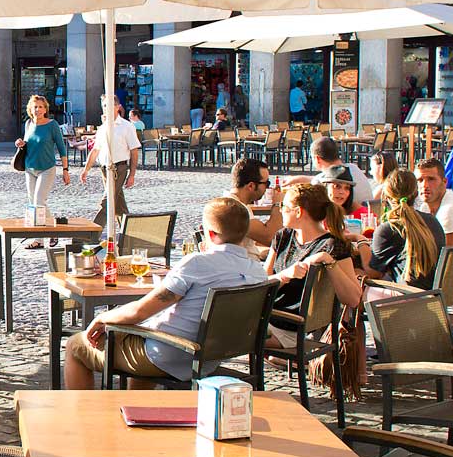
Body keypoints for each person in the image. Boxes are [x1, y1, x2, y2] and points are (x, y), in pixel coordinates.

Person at [62, 197, 269, 390]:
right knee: (139, 338)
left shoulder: (197, 264)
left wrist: (101, 318)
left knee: (75, 345)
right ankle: (136, 414)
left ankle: (83, 419)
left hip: (172, 353)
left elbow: (140, 311)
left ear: (211, 234)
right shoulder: (257, 271)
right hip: (210, 357)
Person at [265, 183, 364, 348]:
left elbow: (353, 298)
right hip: (269, 318)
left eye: (284, 206)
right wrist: (285, 275)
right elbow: (263, 282)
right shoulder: (283, 236)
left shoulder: (332, 245)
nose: (280, 210)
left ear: (298, 211)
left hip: (288, 328)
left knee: (224, 335)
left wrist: (329, 261)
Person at [360, 171, 443, 297]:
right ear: (415, 194)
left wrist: (361, 241)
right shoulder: (433, 221)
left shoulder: (389, 229)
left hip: (407, 298)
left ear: (386, 197)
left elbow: (373, 272)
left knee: (356, 282)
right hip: (434, 298)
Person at [79, 96, 141, 231]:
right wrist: (86, 170)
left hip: (119, 168)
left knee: (106, 201)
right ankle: (129, 232)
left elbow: (134, 151)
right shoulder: (102, 128)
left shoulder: (126, 126)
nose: (107, 108)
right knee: (118, 203)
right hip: (104, 168)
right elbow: (95, 150)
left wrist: (132, 174)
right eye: (104, 106)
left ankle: (92, 233)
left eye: (110, 105)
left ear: (118, 107)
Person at [19, 95, 73, 248]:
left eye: (41, 107)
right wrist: (20, 143)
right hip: (30, 168)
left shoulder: (52, 125)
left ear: (45, 109)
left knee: (39, 201)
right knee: (34, 203)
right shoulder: (28, 124)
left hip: (47, 168)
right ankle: (40, 239)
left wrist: (65, 169)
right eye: (35, 107)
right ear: (30, 109)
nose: (38, 110)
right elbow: (26, 144)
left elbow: (62, 148)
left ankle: (48, 232)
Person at [226, 158, 283, 248]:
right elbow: (271, 238)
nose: (268, 188)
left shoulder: (237, 202)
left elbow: (254, 241)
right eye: (266, 183)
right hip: (242, 261)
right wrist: (278, 204)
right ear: (251, 186)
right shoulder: (235, 208)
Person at [314, 165, 371, 240]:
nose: (342, 192)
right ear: (325, 187)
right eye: (337, 186)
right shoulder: (314, 214)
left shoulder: (359, 213)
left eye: (347, 188)